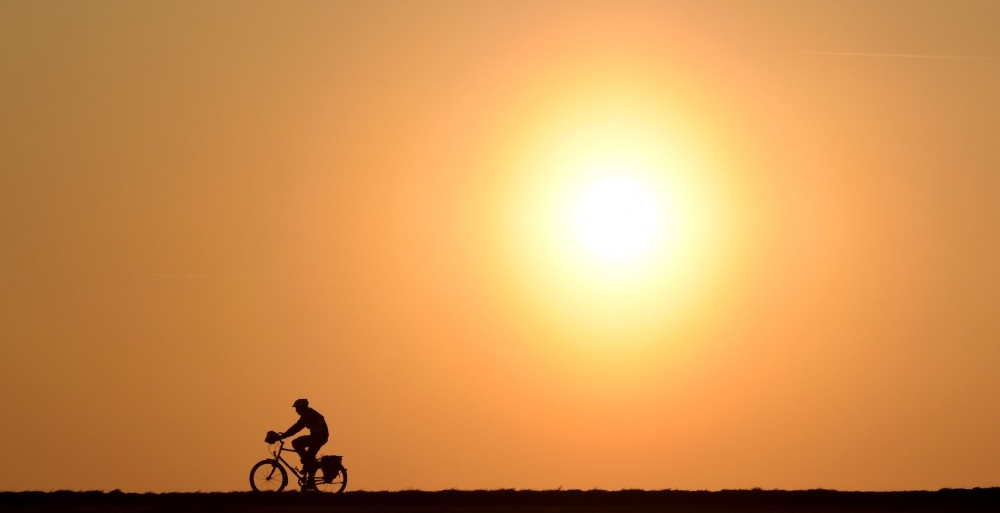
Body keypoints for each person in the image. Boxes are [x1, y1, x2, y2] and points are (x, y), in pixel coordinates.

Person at [279, 399, 329, 473]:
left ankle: (308, 464)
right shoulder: (307, 413)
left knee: (296, 443)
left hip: (319, 437)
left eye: (297, 408)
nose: (296, 410)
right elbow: (297, 426)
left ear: (302, 407)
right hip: (317, 437)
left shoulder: (308, 414)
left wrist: (284, 435)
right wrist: (285, 435)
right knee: (309, 457)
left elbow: (297, 427)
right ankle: (308, 467)